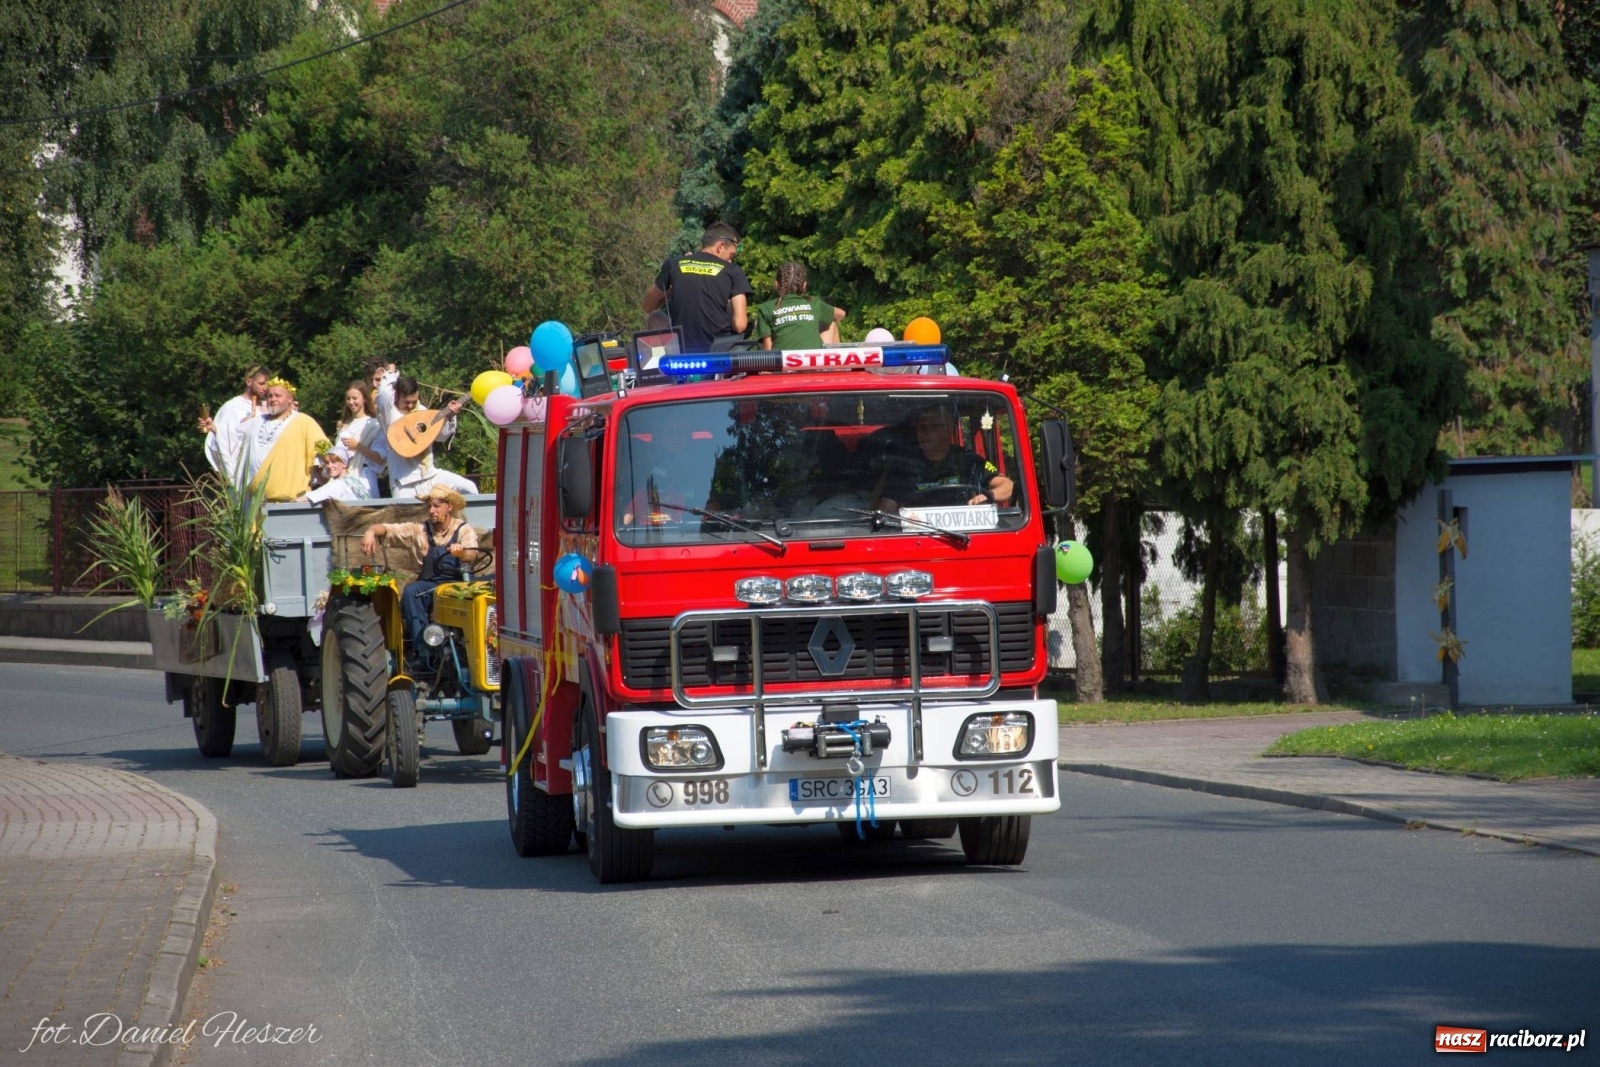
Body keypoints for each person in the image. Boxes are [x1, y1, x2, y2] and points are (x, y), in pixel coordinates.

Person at [361, 486, 481, 670]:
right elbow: (386, 529)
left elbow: (472, 555)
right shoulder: (419, 530)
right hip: (430, 584)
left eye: (437, 506)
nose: (432, 511)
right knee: (410, 592)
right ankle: (424, 650)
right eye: (429, 506)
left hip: (458, 583)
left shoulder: (464, 530)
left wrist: (461, 553)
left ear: (449, 507)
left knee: (484, 596)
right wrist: (370, 531)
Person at [875, 404, 1014, 513]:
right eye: (921, 427)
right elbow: (886, 508)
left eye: (932, 427)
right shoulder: (904, 466)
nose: (924, 433)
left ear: (948, 429)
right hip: (917, 536)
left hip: (963, 534)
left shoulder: (969, 461)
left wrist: (988, 496)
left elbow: (1007, 485)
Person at [640, 222, 753, 352]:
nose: (730, 261)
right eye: (731, 255)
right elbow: (740, 325)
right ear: (720, 246)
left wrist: (675, 286)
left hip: (682, 352)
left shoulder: (675, 264)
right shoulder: (733, 270)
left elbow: (648, 306)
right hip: (717, 352)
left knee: (655, 317)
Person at [372, 375, 478, 497]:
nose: (411, 406)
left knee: (469, 488)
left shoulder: (422, 410)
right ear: (397, 396)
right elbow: (382, 396)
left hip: (430, 476)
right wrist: (390, 376)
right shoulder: (389, 414)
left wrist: (449, 416)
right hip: (404, 482)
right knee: (407, 514)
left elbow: (441, 437)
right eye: (406, 402)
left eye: (414, 401)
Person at [238, 379, 330, 501]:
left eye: (278, 395)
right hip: (256, 500)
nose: (273, 399)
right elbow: (233, 438)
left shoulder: (304, 422)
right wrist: (215, 428)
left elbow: (326, 450)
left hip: (291, 499)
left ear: (290, 399)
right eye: (270, 396)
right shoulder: (256, 421)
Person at [753, 262, 846, 350]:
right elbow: (842, 314)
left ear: (776, 284)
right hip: (813, 362)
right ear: (804, 285)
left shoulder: (766, 308)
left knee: (760, 326)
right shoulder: (814, 303)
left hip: (783, 363)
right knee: (831, 321)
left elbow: (768, 351)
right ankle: (836, 365)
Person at [199, 365, 270, 479]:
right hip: (244, 473)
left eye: (267, 384)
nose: (266, 388)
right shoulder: (232, 407)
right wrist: (217, 429)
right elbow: (224, 438)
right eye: (261, 384)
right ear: (249, 382)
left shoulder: (270, 406)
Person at [334, 379, 384, 497]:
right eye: (348, 399)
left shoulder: (374, 424)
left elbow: (380, 459)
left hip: (364, 476)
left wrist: (358, 446)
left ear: (364, 398)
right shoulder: (342, 425)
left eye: (355, 398)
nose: (351, 402)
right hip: (343, 477)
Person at [298, 449, 371, 504]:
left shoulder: (339, 484)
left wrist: (293, 501)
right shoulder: (354, 480)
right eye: (327, 462)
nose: (329, 466)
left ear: (344, 464)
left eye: (334, 462)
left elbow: (311, 496)